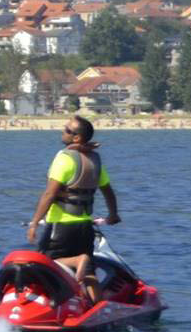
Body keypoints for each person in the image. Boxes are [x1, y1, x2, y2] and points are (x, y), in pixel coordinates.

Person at [25, 114, 120, 303]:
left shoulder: (64, 159)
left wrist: (35, 222)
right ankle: (98, 309)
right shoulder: (94, 160)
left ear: (77, 138)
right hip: (85, 226)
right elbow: (108, 192)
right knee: (89, 272)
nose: (63, 131)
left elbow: (49, 195)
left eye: (67, 130)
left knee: (43, 262)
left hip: (61, 225)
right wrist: (113, 215)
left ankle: (77, 262)